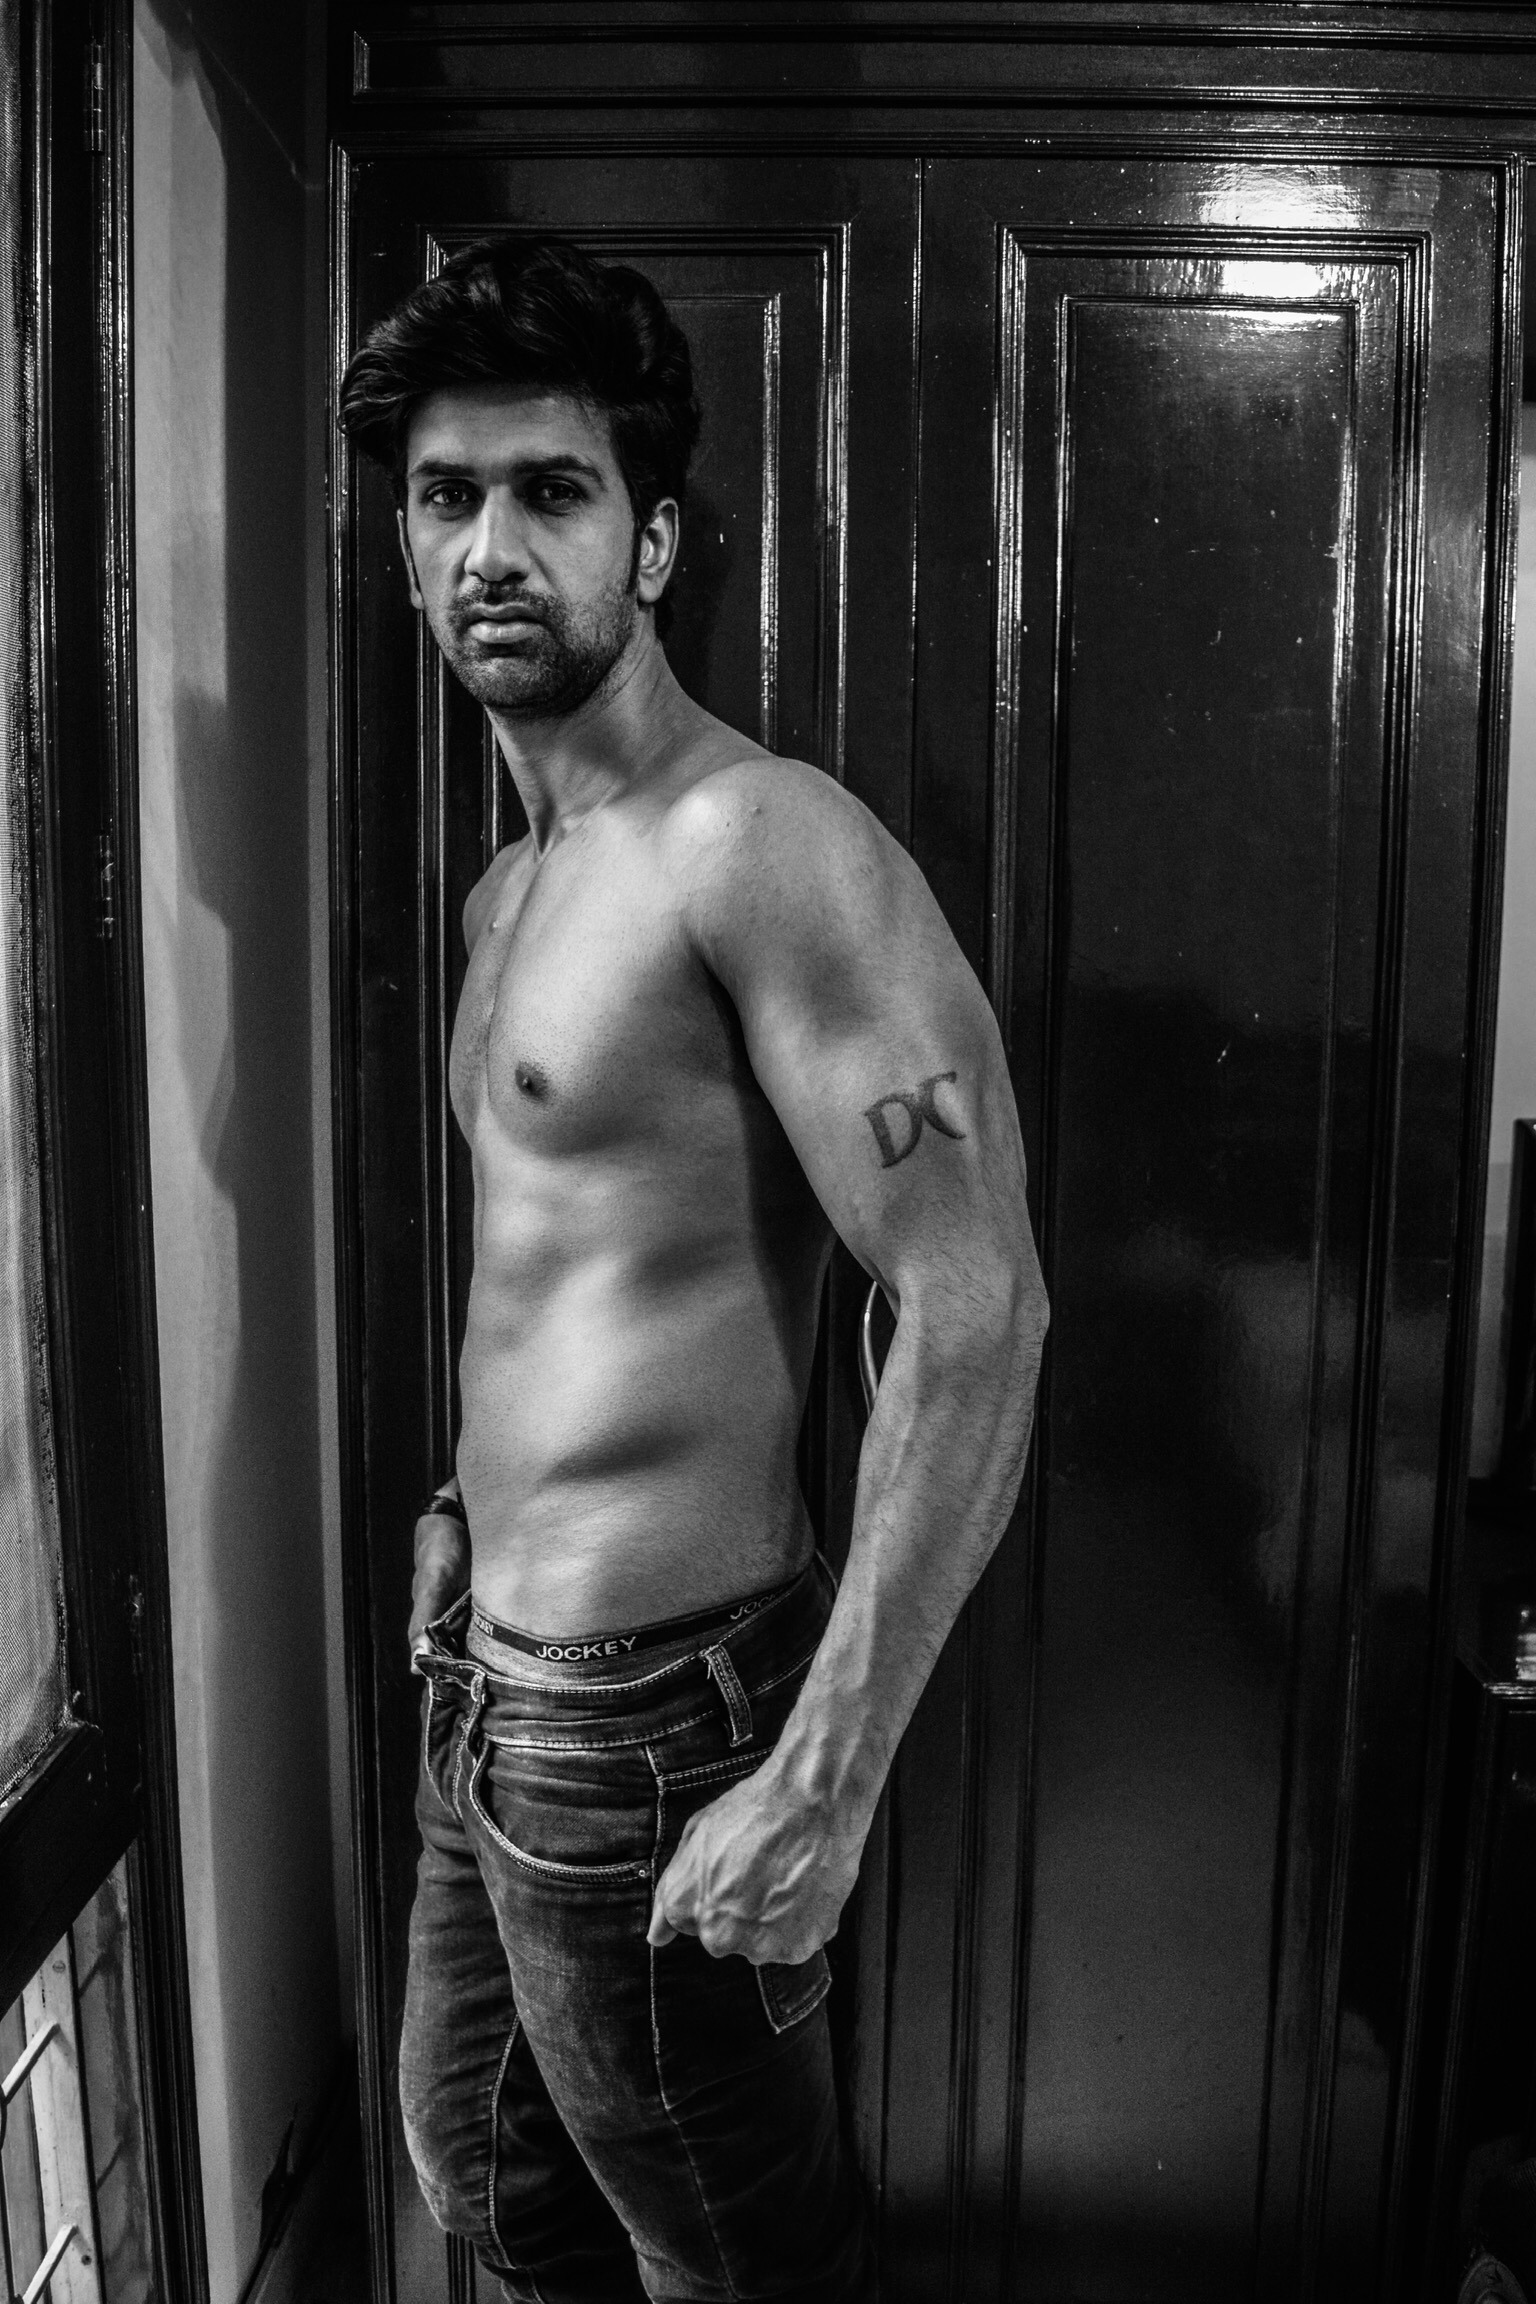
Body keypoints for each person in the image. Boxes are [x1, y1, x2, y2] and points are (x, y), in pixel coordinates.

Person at [339, 235, 1048, 2304]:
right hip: (480, 1689)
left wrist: (825, 1775)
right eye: (446, 498)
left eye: (550, 492)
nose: (490, 547)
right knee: (495, 2194)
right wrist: (470, 1515)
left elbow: (978, 1307)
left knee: (740, 2264)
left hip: (656, 1729)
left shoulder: (758, 844)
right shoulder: (511, 893)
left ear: (651, 543)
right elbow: (572, 1264)